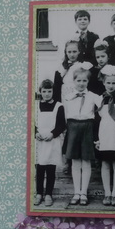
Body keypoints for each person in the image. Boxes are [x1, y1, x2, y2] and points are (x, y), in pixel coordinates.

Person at [63, 64, 102, 206]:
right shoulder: (68, 97)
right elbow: (65, 115)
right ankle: (76, 192)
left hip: (87, 128)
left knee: (86, 162)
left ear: (88, 81)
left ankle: (84, 192)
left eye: (84, 80)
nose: (81, 83)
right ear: (74, 81)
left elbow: (105, 108)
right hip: (73, 127)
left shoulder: (93, 97)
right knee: (75, 162)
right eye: (78, 80)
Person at [93, 68, 115, 206]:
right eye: (108, 83)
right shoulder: (100, 99)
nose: (111, 86)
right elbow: (96, 120)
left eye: (113, 83)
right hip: (104, 134)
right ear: (104, 83)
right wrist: (97, 139)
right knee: (105, 164)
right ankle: (107, 193)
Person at [34, 79, 65, 208]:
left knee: (50, 169)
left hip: (52, 140)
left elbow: (61, 125)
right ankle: (39, 193)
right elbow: (31, 121)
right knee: (39, 169)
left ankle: (48, 194)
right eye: (44, 91)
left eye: (49, 91)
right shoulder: (36, 105)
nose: (47, 94)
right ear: (40, 92)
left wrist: (53, 134)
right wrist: (35, 132)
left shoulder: (59, 106)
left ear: (53, 92)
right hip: (39, 141)